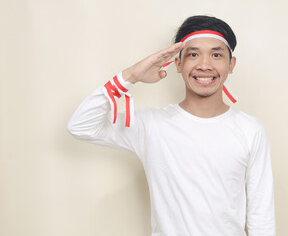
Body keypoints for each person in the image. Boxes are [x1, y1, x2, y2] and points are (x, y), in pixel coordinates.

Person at [67, 15, 276, 236]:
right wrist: (130, 76)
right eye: (193, 54)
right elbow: (81, 125)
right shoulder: (152, 125)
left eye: (216, 55)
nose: (204, 65)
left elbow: (261, 217)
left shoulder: (251, 130)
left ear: (231, 64)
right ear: (177, 63)